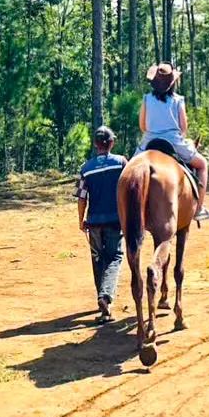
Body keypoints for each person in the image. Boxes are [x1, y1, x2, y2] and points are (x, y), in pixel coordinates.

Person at [137, 62, 209, 221]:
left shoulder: (146, 99)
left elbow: (143, 126)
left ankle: (120, 211)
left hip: (149, 141)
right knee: (202, 164)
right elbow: (183, 128)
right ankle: (199, 208)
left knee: (127, 170)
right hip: (174, 142)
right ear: (172, 83)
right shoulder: (178, 100)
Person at [76, 126, 127, 321]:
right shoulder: (121, 163)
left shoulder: (86, 168)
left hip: (94, 222)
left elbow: (82, 198)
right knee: (114, 257)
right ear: (111, 143)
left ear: (96, 144)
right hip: (115, 220)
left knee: (98, 259)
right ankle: (105, 296)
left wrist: (81, 220)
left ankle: (102, 303)